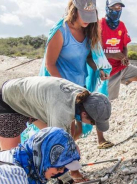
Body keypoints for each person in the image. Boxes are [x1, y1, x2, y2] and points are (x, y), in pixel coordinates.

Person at [0, 76, 111, 184]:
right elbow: (55, 150)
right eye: (93, 122)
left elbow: (67, 137)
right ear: (84, 113)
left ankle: (56, 182)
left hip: (32, 103)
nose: (92, 125)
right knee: (12, 163)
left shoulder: (84, 97)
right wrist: (68, 183)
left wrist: (72, 168)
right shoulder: (62, 111)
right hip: (9, 102)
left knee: (68, 147)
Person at [40, 0, 113, 149]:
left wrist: (98, 68)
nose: (88, 20)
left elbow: (87, 57)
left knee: (76, 128)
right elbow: (50, 64)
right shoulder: (61, 32)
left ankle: (66, 159)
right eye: (84, 15)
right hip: (60, 87)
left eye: (90, 15)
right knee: (65, 128)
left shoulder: (89, 31)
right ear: (74, 10)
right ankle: (64, 162)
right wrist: (65, 88)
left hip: (80, 86)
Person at [100, 0, 137, 122]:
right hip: (106, 71)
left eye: (119, 7)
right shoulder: (99, 24)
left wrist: (124, 57)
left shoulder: (121, 25)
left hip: (122, 67)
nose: (117, 9)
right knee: (104, 102)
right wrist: (112, 55)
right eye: (114, 7)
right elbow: (94, 53)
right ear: (107, 7)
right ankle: (101, 136)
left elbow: (124, 46)